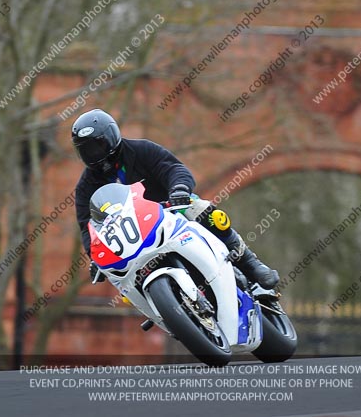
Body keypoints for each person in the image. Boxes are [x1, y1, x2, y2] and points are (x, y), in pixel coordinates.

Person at [72, 108, 279, 289]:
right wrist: (95, 255)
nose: (94, 154)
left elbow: (173, 168)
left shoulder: (142, 149)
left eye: (97, 146)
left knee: (206, 212)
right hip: (133, 239)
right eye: (87, 150)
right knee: (119, 277)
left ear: (111, 136)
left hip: (170, 210)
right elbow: (87, 226)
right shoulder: (85, 187)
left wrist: (179, 190)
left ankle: (250, 264)